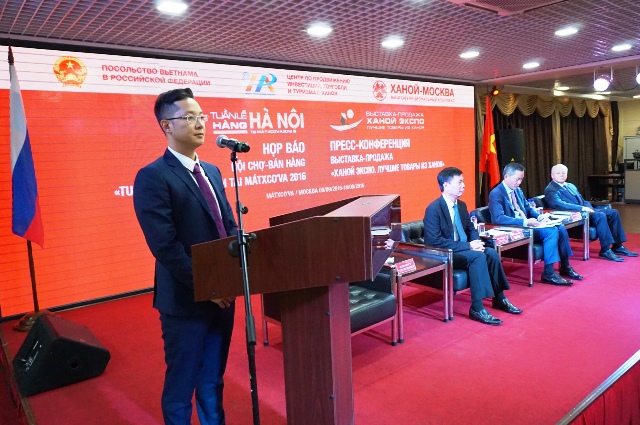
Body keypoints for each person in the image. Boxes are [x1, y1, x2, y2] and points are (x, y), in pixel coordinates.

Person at [133, 88, 237, 425]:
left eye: (201, 116)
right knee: (181, 385)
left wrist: (233, 274)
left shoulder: (213, 171)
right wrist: (209, 286)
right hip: (185, 300)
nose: (199, 123)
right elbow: (165, 246)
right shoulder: (153, 176)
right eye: (189, 117)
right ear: (167, 125)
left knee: (212, 379)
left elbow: (227, 226)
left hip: (223, 297)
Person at [423, 167, 522, 326]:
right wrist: (469, 246)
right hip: (445, 253)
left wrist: (477, 242)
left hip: (464, 248)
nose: (463, 185)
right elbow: (434, 241)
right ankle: (477, 307)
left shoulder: (461, 205)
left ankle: (499, 298)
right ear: (446, 185)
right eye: (459, 182)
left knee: (491, 253)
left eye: (463, 182)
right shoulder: (433, 209)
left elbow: (471, 229)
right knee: (477, 256)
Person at [489, 162, 582, 286]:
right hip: (516, 227)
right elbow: (498, 218)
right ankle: (549, 273)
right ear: (506, 176)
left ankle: (565, 266)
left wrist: (540, 216)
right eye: (517, 179)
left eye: (521, 179)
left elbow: (528, 208)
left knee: (560, 227)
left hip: (528, 224)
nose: (519, 182)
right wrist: (525, 221)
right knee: (551, 231)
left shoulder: (518, 190)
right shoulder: (496, 193)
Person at [544, 163, 638, 261]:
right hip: (574, 215)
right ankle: (605, 250)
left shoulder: (570, 185)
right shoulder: (550, 189)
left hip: (585, 211)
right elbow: (559, 204)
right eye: (558, 173)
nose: (561, 175)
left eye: (563, 173)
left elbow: (583, 200)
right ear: (552, 175)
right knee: (600, 215)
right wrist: (582, 208)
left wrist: (588, 207)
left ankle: (617, 246)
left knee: (614, 212)